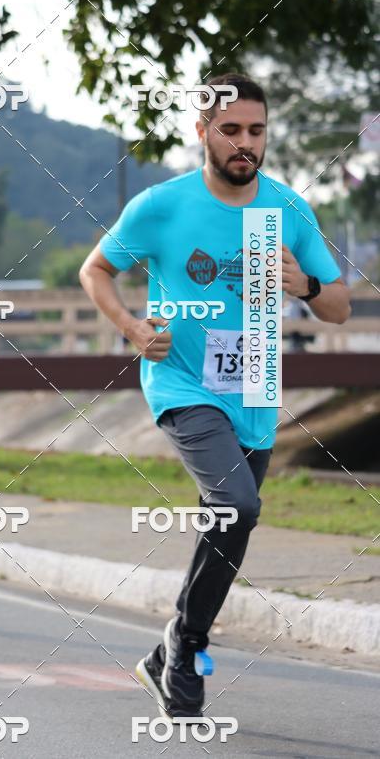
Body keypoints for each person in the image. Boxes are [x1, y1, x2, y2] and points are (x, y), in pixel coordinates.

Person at [79, 73, 351, 720]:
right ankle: (189, 644)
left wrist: (307, 283)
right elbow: (96, 271)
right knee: (235, 501)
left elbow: (339, 305)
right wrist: (132, 329)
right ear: (201, 132)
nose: (244, 144)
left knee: (232, 521)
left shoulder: (286, 210)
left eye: (256, 131)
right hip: (182, 382)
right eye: (231, 130)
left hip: (255, 391)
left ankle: (168, 646)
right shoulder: (162, 206)